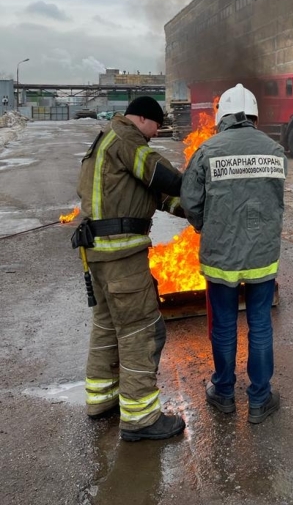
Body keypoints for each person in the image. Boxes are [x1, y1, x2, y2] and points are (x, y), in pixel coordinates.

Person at [75, 95, 186, 442]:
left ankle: (102, 399)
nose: (155, 134)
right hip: (121, 256)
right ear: (142, 119)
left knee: (108, 326)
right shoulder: (127, 138)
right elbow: (159, 175)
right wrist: (191, 184)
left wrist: (194, 210)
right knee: (142, 330)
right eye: (156, 126)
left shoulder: (106, 142)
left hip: (98, 255)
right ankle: (141, 418)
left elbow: (152, 194)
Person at [181, 83, 287, 424]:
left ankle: (224, 393)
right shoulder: (274, 150)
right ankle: (260, 399)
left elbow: (190, 202)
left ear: (221, 116)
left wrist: (206, 226)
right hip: (262, 255)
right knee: (260, 324)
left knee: (225, 325)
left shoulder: (207, 150)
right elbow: (275, 199)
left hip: (221, 255)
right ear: (254, 116)